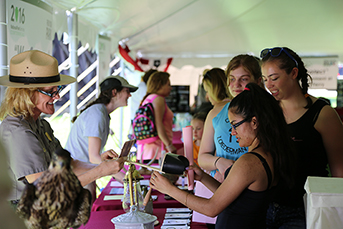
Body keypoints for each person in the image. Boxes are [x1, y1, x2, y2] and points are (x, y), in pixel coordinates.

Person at [150, 82, 296, 228]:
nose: (232, 132)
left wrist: (169, 189)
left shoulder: (250, 162)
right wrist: (203, 177)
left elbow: (211, 208)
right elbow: (236, 198)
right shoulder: (268, 154)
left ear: (254, 122)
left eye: (235, 125)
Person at [0, 50, 125, 205]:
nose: (57, 96)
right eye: (50, 92)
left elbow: (69, 164)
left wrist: (101, 165)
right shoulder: (18, 131)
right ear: (27, 94)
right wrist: (100, 171)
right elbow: (45, 188)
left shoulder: (41, 125)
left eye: (57, 90)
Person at [260, 47, 343, 228]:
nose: (269, 85)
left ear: (294, 73)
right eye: (265, 80)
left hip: (304, 210)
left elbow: (339, 173)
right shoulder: (268, 112)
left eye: (274, 78)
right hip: (264, 206)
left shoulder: (323, 114)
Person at [65, 75, 138, 201]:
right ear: (114, 92)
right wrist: (122, 177)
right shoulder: (97, 114)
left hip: (84, 174)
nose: (129, 95)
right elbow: (94, 158)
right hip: (79, 177)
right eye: (127, 91)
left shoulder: (101, 113)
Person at [198, 55, 263, 182]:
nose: (236, 84)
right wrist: (219, 162)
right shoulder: (215, 113)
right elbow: (202, 157)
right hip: (220, 183)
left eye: (243, 79)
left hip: (254, 183)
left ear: (258, 80)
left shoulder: (266, 112)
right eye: (232, 79)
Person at [136, 71, 176, 162]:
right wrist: (169, 145)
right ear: (160, 85)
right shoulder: (158, 99)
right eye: (168, 84)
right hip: (157, 151)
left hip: (145, 150)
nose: (171, 88)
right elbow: (159, 125)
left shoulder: (147, 98)